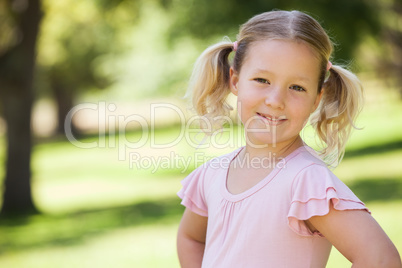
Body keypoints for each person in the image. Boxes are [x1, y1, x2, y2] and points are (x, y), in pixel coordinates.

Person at [176, 10, 401, 268]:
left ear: (317, 98)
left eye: (297, 87)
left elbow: (381, 258)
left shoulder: (306, 181)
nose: (275, 100)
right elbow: (191, 238)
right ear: (235, 81)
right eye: (262, 80)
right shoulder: (213, 174)